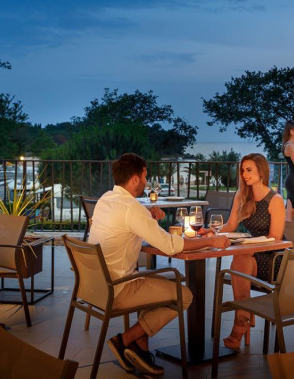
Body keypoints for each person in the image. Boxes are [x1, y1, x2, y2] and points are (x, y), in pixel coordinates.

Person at [89, 153, 229, 376]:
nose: (146, 181)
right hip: (118, 289)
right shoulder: (131, 208)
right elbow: (170, 246)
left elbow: (125, 222)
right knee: (184, 295)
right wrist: (210, 240)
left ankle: (140, 350)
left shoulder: (106, 199)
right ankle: (125, 340)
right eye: (145, 176)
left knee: (153, 283)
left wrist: (146, 215)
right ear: (135, 179)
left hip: (94, 287)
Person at [217, 153, 285, 350]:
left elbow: (276, 239)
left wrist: (250, 247)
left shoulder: (275, 200)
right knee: (241, 258)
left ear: (261, 171)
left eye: (249, 170)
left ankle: (241, 321)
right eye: (243, 170)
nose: (244, 175)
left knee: (241, 257)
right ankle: (244, 318)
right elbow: (230, 225)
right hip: (250, 254)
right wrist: (211, 233)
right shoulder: (242, 195)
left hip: (272, 258)